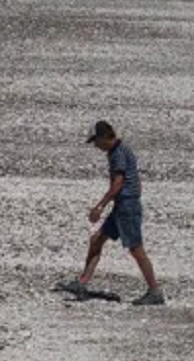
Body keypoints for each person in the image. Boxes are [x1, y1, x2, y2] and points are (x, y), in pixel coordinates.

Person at [59, 121, 164, 306]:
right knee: (97, 239)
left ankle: (155, 291)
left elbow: (118, 183)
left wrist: (99, 207)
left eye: (95, 141)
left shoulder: (118, 154)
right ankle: (82, 283)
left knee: (136, 249)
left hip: (126, 207)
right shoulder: (121, 150)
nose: (95, 145)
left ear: (103, 137)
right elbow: (137, 181)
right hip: (123, 205)